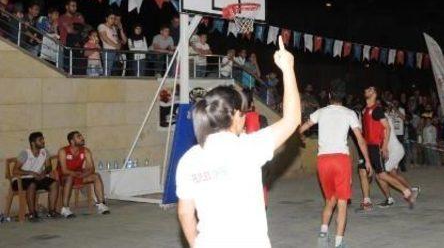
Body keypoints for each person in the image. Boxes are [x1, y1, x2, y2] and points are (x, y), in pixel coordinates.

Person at [176, 36, 300, 247]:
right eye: (242, 114)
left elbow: (185, 211)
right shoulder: (248, 148)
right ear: (233, 115)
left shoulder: (189, 159)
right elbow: (293, 119)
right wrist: (288, 68)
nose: (245, 118)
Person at [299, 79, 372, 248]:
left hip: (323, 160)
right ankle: (339, 243)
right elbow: (360, 140)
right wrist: (367, 160)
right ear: (344, 97)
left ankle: (323, 235)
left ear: (330, 95)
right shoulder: (349, 113)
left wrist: (301, 137)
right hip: (341, 160)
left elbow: (302, 128)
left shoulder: (321, 112)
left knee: (329, 199)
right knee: (342, 203)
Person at [357, 86, 418, 211]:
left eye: (371, 89)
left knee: (382, 175)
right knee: (362, 171)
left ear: (374, 94)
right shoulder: (365, 110)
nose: (367, 90)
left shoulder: (377, 110)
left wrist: (384, 147)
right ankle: (367, 201)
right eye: (366, 89)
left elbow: (387, 128)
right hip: (366, 147)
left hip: (375, 147)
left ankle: (407, 192)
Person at [58, 131, 110, 217]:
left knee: (96, 176)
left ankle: (101, 204)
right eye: (78, 137)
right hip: (64, 178)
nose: (82, 138)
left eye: (81, 136)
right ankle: (65, 208)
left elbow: (91, 168)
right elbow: (64, 170)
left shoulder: (86, 151)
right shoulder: (63, 151)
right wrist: (76, 174)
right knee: (70, 177)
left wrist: (83, 175)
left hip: (79, 175)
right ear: (72, 141)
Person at [12, 132, 59, 221]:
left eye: (43, 139)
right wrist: (31, 173)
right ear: (33, 143)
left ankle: (52, 211)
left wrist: (44, 173)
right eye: (40, 140)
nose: (43, 141)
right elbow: (15, 171)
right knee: (32, 185)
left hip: (38, 177)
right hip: (22, 179)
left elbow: (49, 167)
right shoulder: (25, 153)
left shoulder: (44, 151)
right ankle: (32, 214)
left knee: (54, 184)